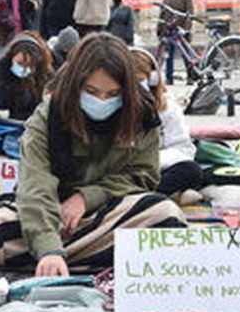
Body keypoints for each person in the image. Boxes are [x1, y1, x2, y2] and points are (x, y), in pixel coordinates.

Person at [17, 33, 187, 276]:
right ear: (76, 85)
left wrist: (86, 198)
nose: (101, 101)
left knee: (163, 214)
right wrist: (48, 248)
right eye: (91, 92)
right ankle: (64, 257)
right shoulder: (49, 116)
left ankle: (55, 257)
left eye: (112, 94)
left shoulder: (141, 116)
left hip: (110, 213)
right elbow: (35, 184)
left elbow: (142, 177)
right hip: (51, 214)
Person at [130, 47, 203, 197]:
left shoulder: (167, 107)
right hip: (125, 172)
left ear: (153, 79)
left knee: (191, 171)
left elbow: (182, 148)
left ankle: (147, 196)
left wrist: (153, 161)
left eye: (138, 80)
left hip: (158, 166)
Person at [0, 33, 53, 121]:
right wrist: (8, 81)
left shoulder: (43, 77)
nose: (23, 68)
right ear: (12, 58)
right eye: (20, 63)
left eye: (29, 65)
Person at [157, 0, 193, 85]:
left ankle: (190, 76)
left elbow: (189, 13)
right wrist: (159, 29)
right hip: (168, 30)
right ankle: (169, 78)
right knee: (168, 55)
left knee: (186, 55)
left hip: (180, 30)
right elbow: (162, 14)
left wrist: (185, 28)